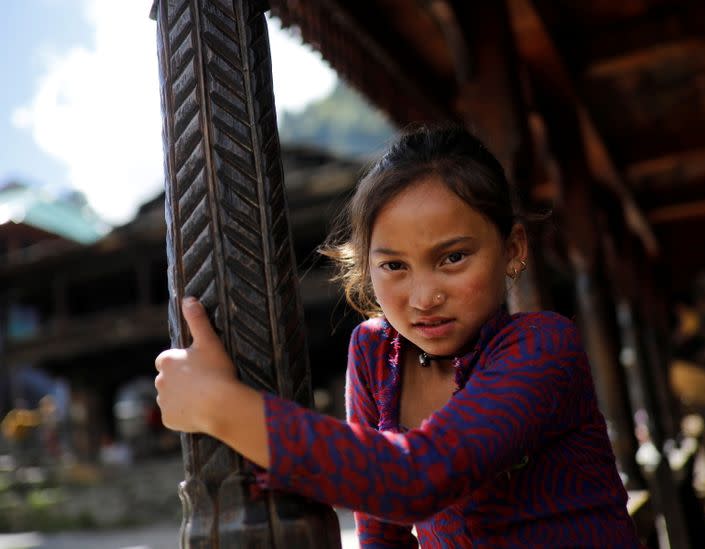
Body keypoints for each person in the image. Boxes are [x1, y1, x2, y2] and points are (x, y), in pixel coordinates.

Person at [154, 125, 642, 547]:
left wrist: (217, 405)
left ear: (512, 249)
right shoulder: (373, 352)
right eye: (393, 266)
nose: (423, 297)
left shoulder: (544, 346)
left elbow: (414, 481)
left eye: (453, 258)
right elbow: (381, 531)